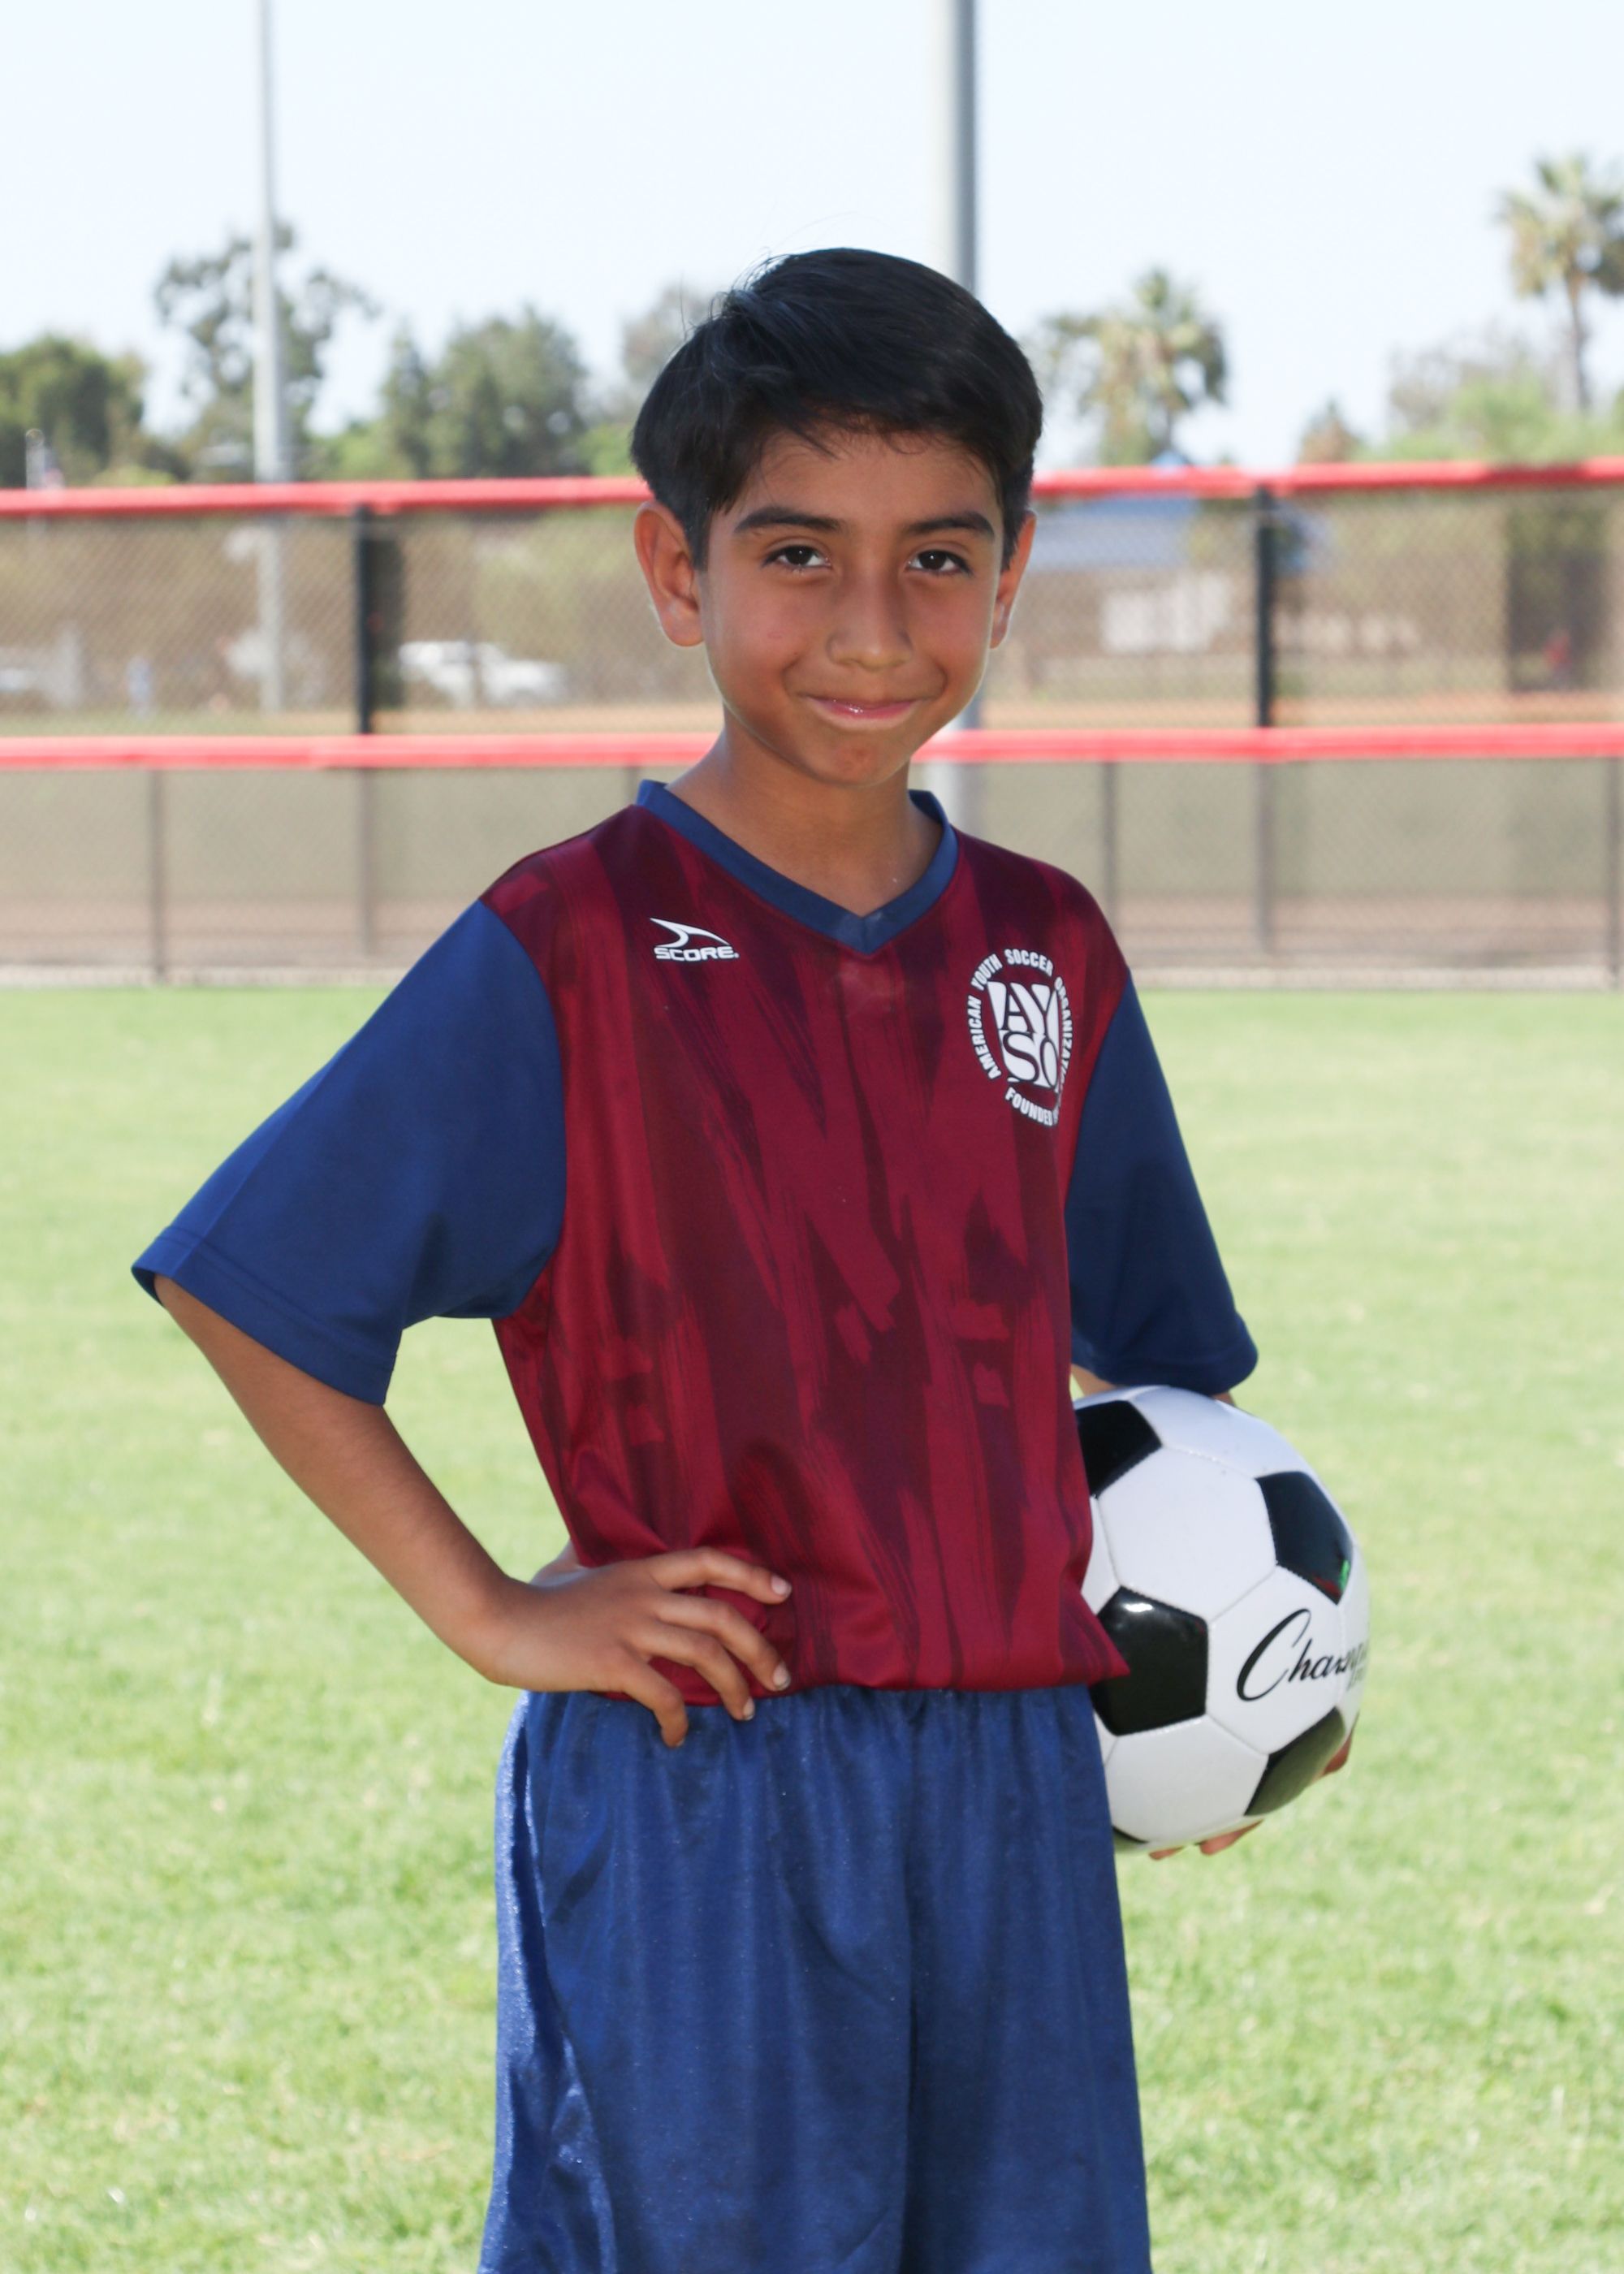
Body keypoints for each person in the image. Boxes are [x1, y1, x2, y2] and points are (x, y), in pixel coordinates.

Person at [135, 249, 1263, 2274]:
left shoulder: (1046, 948)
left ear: (1010, 574)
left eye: (937, 559)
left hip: (1010, 1796)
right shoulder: (570, 944)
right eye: (797, 554)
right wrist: (493, 1609)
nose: (870, 624)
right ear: (679, 569)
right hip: (703, 1784)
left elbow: (1153, 1388)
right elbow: (258, 1281)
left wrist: (1214, 1696)